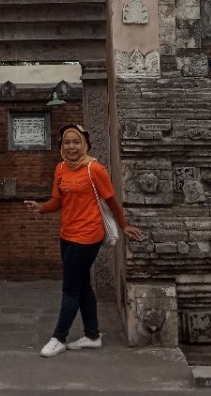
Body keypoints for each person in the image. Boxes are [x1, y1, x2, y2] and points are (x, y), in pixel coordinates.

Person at [24, 122, 143, 357]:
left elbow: (111, 201)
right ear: (61, 146)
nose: (71, 147)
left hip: (88, 235)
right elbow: (57, 202)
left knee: (70, 288)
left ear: (85, 144)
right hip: (67, 234)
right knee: (83, 286)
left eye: (76, 142)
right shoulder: (61, 168)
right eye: (67, 142)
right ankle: (92, 335)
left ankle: (59, 338)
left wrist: (124, 224)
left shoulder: (94, 169)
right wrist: (41, 207)